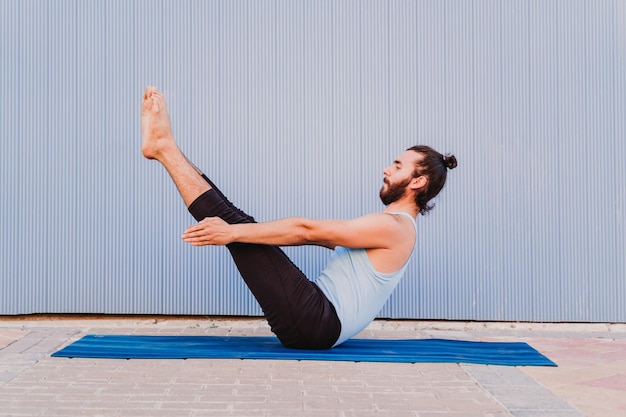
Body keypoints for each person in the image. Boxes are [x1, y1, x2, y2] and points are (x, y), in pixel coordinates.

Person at [141, 86, 457, 350]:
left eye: (398, 166)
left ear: (418, 182)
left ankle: (165, 148)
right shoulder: (395, 228)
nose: (387, 169)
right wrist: (241, 231)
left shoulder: (394, 227)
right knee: (238, 222)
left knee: (236, 226)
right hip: (316, 320)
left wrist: (233, 234)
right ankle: (166, 148)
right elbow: (318, 236)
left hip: (316, 322)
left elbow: (305, 230)